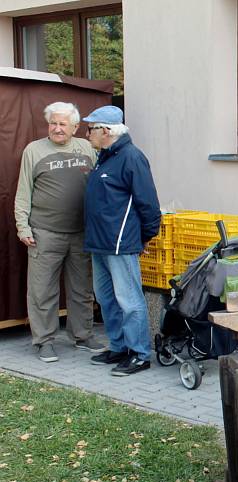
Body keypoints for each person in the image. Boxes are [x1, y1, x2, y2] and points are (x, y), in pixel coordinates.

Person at [14, 102, 106, 363]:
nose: (56, 128)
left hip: (81, 233)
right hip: (44, 233)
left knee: (81, 289)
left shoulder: (88, 149)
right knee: (42, 290)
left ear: (75, 127)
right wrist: (23, 227)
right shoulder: (34, 150)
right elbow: (23, 193)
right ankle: (44, 341)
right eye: (53, 123)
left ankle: (82, 335)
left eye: (62, 124)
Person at [82, 105, 161, 376]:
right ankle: (119, 346)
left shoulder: (131, 157)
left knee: (129, 300)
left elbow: (148, 204)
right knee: (106, 298)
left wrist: (145, 236)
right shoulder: (105, 156)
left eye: (91, 128)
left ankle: (139, 354)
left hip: (120, 244)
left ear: (106, 131)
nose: (87, 133)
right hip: (99, 243)